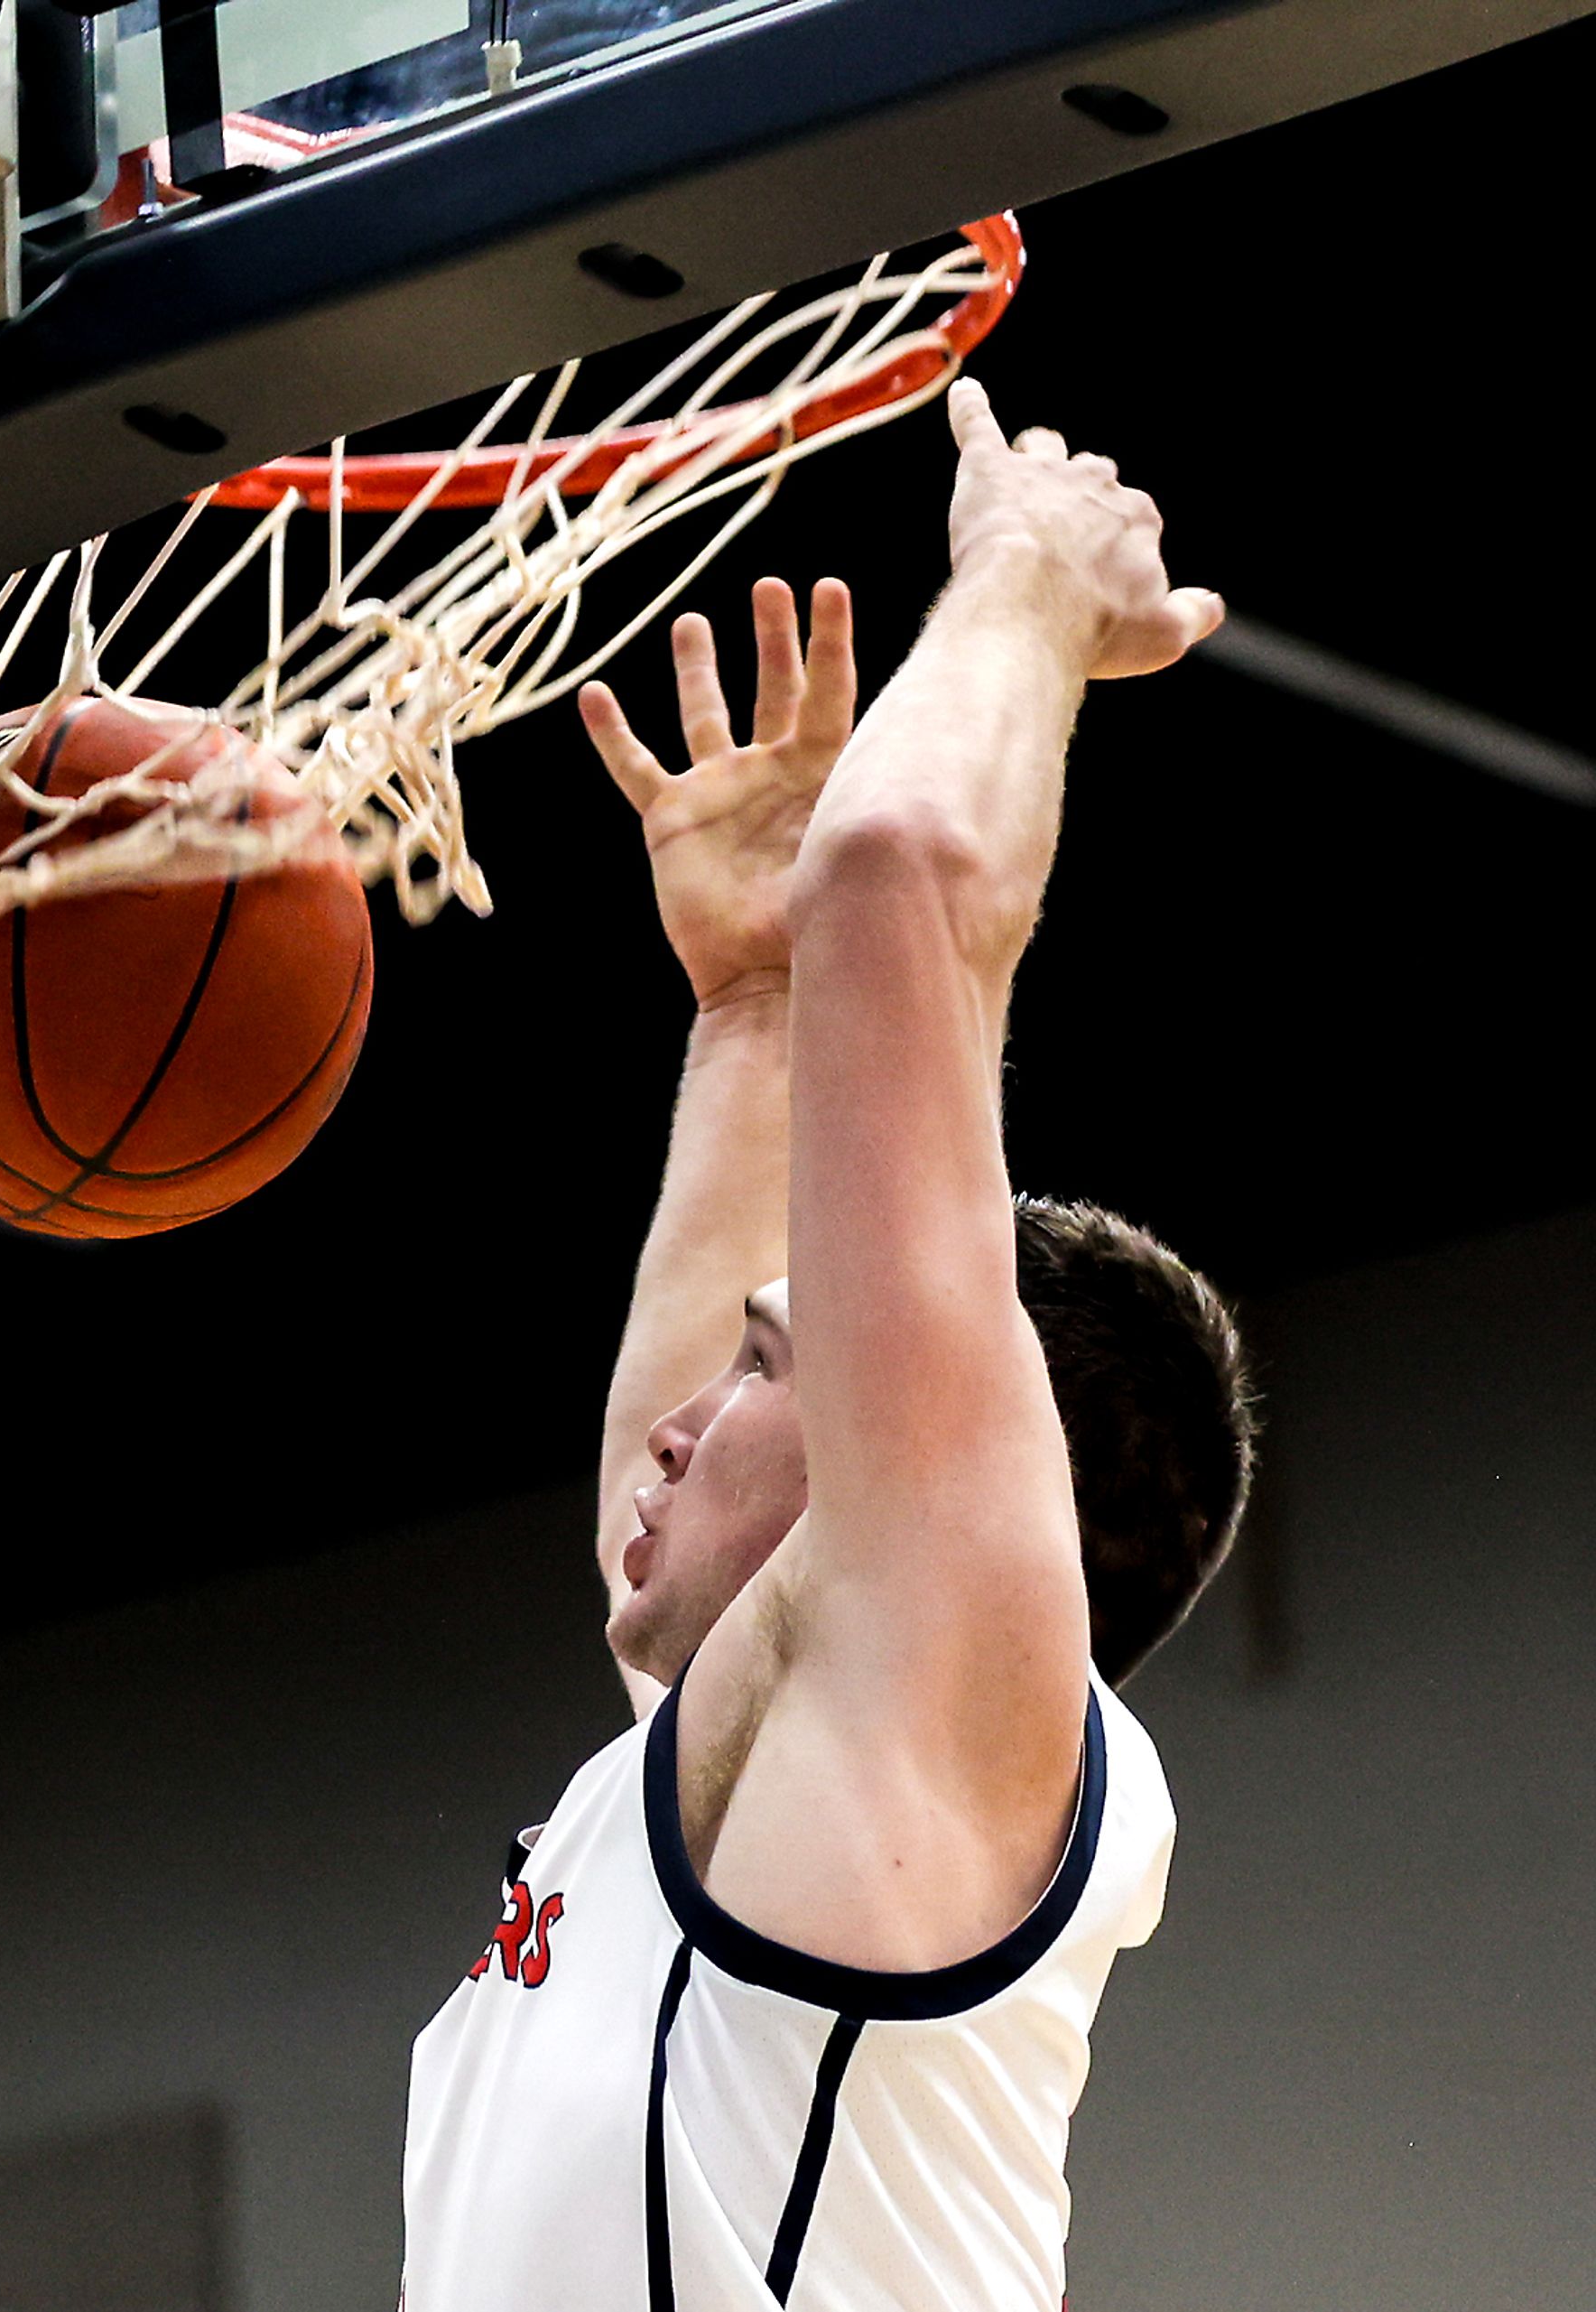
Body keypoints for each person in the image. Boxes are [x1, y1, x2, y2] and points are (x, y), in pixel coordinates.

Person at [401, 380, 1258, 2312]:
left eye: (772, 1367)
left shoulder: (934, 1657)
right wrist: (756, 1007)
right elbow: (668, 1462)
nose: (686, 1425)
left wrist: (1034, 585)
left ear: (947, 1436)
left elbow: (901, 875)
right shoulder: (772, 1778)